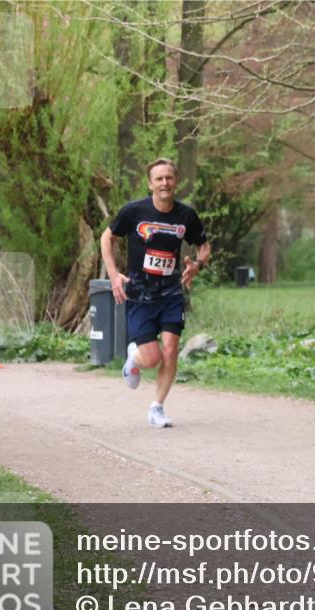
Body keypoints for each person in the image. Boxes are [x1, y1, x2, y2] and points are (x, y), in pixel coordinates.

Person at [100, 158, 210, 428]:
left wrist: (196, 265)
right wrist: (114, 275)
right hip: (139, 294)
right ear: (150, 184)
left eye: (168, 178)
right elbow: (107, 237)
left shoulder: (186, 216)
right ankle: (134, 358)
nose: (164, 183)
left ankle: (157, 407)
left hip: (171, 293)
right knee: (152, 358)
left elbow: (204, 247)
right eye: (159, 179)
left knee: (171, 350)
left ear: (176, 182)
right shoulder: (133, 211)